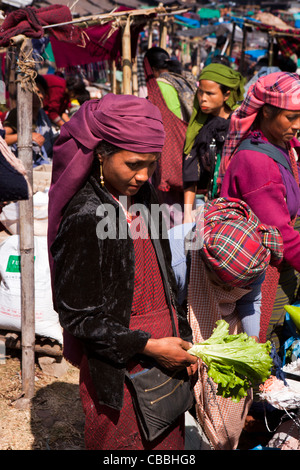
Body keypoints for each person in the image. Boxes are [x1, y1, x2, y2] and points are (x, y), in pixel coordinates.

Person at [47, 93, 198, 451]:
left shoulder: (144, 197)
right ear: (101, 154)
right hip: (119, 370)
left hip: (167, 356)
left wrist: (180, 336)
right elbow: (77, 318)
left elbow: (165, 279)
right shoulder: (86, 216)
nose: (143, 175)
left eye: (151, 163)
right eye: (132, 164)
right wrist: (150, 347)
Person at [186, 198, 283, 450]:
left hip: (227, 328)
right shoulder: (182, 252)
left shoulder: (254, 251)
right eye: (224, 285)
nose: (231, 291)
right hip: (189, 324)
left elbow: (251, 301)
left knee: (230, 410)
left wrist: (252, 346)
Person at [219, 71, 300, 348]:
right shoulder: (257, 161)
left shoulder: (282, 143)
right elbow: (280, 234)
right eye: (291, 117)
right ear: (266, 111)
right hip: (262, 274)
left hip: (280, 261)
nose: (298, 125)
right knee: (264, 344)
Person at [182, 63, 245, 223]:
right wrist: (188, 214)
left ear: (226, 95)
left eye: (210, 93)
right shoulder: (198, 127)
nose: (203, 98)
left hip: (240, 206)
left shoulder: (242, 124)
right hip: (210, 206)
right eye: (200, 92)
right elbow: (191, 173)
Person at [143, 46, 197, 228]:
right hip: (189, 147)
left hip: (170, 150)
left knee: (170, 211)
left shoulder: (157, 87)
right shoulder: (184, 80)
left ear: (148, 68)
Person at [3, 74, 55, 166]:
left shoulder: (42, 115)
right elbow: (3, 139)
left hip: (44, 163)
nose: (38, 96)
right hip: (22, 165)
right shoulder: (17, 114)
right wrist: (27, 136)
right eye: (33, 92)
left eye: (40, 92)